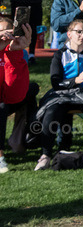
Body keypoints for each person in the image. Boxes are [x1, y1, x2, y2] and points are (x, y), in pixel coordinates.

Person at [34, 18, 83, 169]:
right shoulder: (60, 54)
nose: (82, 35)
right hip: (63, 94)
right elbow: (56, 83)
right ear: (69, 34)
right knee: (50, 112)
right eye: (78, 32)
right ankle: (45, 155)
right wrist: (76, 80)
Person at [0, 16, 33, 172]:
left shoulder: (13, 53)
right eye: (1, 31)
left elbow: (14, 95)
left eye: (9, 31)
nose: (6, 35)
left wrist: (14, 53)